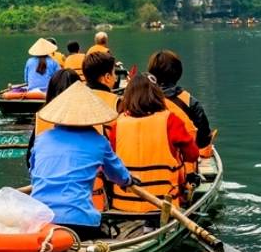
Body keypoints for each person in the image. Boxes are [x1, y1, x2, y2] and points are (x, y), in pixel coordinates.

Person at [28, 82, 132, 241]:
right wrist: (128, 181)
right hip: (79, 221)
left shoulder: (42, 139)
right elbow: (117, 175)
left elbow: (33, 171)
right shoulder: (99, 142)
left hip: (39, 220)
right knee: (108, 239)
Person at [106, 74, 200, 213]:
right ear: (156, 95)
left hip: (123, 205)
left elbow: (109, 161)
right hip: (163, 204)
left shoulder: (117, 124)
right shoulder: (170, 120)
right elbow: (192, 154)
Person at [146, 50, 213, 152]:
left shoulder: (140, 99)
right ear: (178, 73)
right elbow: (203, 140)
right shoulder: (190, 102)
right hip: (182, 162)